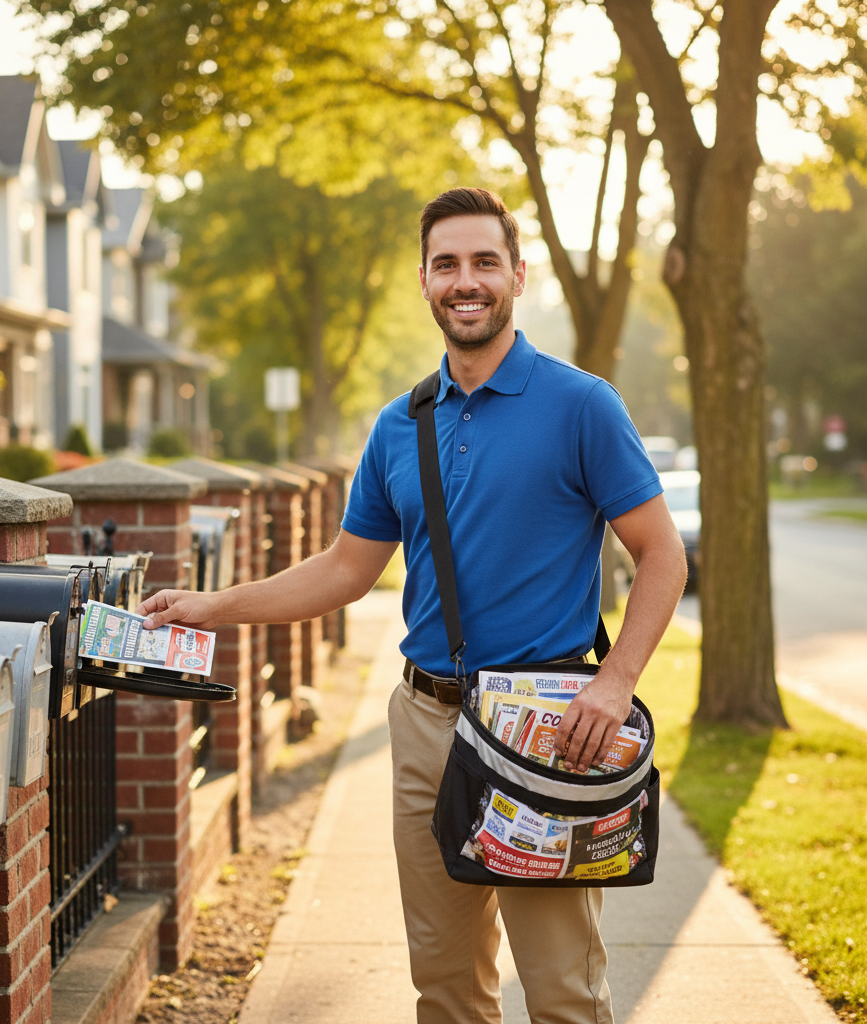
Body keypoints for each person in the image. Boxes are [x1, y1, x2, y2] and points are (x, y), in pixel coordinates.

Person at [137, 187, 688, 1024]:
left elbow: (663, 555)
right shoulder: (400, 424)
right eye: (446, 265)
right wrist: (214, 606)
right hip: (425, 726)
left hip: (543, 730)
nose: (465, 281)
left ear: (516, 275)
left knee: (563, 992)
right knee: (445, 985)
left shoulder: (582, 405)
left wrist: (614, 684)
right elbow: (344, 570)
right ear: (425, 282)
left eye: (483, 262)